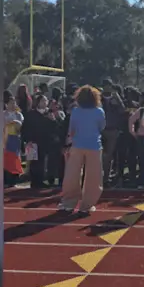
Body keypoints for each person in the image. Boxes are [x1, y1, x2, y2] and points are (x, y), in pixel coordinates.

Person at [58, 85, 106, 215]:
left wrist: (68, 142)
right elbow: (102, 127)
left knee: (72, 174)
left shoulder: (76, 111)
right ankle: (87, 205)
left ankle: (68, 202)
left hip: (77, 145)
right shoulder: (99, 111)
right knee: (93, 177)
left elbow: (71, 129)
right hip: (94, 146)